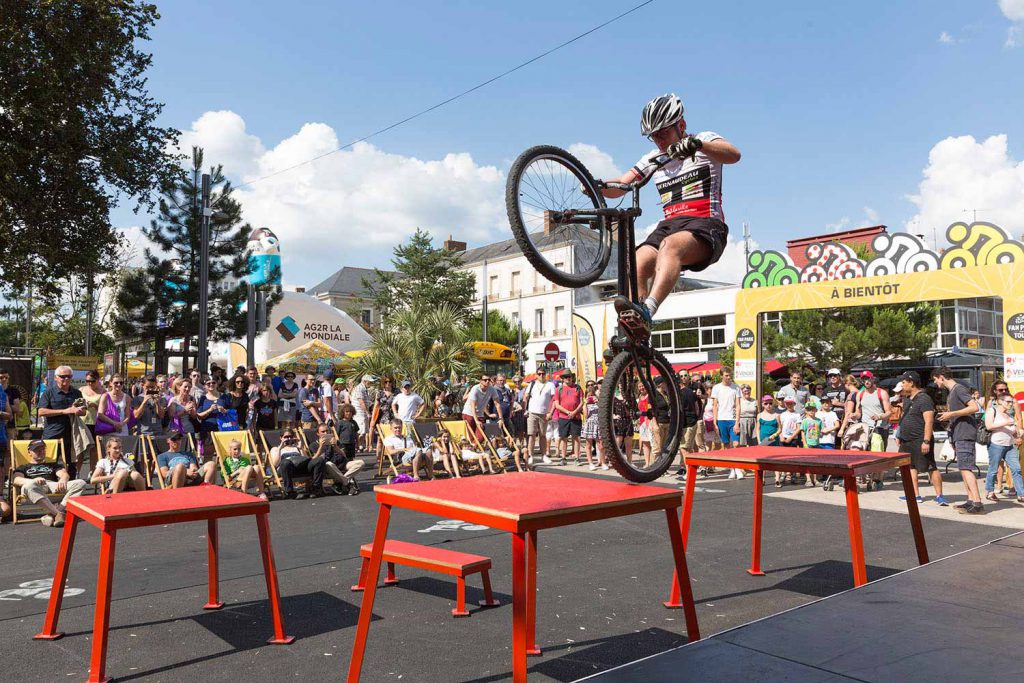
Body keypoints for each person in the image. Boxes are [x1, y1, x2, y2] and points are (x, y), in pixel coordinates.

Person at [598, 93, 740, 331]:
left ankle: (648, 311)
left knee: (670, 246)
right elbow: (622, 185)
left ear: (681, 125)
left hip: (705, 224)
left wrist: (699, 145)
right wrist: (597, 187)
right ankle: (634, 327)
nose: (659, 141)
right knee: (636, 260)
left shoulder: (703, 139)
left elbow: (734, 155)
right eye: (653, 136)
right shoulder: (653, 157)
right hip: (670, 225)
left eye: (663, 133)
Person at [932, 367, 983, 513]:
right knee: (963, 467)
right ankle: (971, 500)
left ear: (941, 377)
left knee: (966, 468)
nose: (936, 383)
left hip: (964, 434)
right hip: (958, 434)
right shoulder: (952, 392)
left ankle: (977, 503)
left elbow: (974, 407)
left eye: (935, 380)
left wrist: (952, 413)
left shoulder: (958, 389)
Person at [894, 371, 945, 504]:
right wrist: (899, 434)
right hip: (906, 440)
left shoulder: (924, 399)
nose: (902, 385)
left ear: (911, 383)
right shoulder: (907, 399)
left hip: (920, 439)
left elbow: (929, 421)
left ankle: (939, 496)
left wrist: (926, 441)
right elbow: (905, 417)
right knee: (909, 467)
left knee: (930, 467)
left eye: (904, 382)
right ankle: (914, 495)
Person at [11, 439, 86, 526]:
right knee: (29, 486)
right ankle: (58, 513)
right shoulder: (23, 467)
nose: (41, 451)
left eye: (43, 449)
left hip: (52, 486)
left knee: (80, 483)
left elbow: (64, 474)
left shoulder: (53, 465)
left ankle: (56, 513)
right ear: (29, 452)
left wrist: (63, 479)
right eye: (37, 450)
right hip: (34, 489)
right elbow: (16, 479)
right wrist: (33, 481)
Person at [37, 365, 85, 476]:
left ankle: (71, 488)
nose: (66, 379)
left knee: (71, 463)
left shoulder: (77, 393)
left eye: (68, 376)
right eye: (63, 376)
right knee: (49, 462)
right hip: (52, 433)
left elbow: (84, 412)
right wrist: (64, 411)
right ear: (55, 378)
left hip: (71, 434)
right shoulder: (48, 393)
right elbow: (41, 412)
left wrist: (78, 411)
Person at [851, 370, 891, 491]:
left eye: (868, 379)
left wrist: (879, 416)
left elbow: (889, 412)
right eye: (864, 379)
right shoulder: (860, 394)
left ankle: (878, 479)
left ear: (872, 379)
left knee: (878, 454)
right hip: (865, 427)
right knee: (863, 453)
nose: (866, 381)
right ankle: (865, 478)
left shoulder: (881, 393)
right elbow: (859, 413)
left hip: (880, 427)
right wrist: (854, 416)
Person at [983, 390, 1024, 505]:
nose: (1011, 404)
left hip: (1010, 445)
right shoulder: (992, 411)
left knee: (1016, 469)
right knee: (993, 470)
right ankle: (990, 492)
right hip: (996, 445)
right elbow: (989, 426)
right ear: (1000, 401)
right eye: (1008, 402)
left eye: (1012, 402)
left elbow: (1014, 431)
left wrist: (1019, 433)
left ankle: (1021, 494)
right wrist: (1006, 423)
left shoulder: (1009, 415)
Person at [312, 422, 365, 495]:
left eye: (327, 431)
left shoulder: (336, 442)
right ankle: (348, 483)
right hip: (328, 467)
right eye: (323, 431)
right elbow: (313, 460)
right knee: (328, 464)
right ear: (318, 433)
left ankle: (341, 482)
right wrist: (320, 447)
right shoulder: (314, 445)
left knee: (360, 463)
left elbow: (344, 456)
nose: (325, 433)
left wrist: (335, 446)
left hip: (341, 463)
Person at [711, 370, 742, 478]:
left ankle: (738, 468)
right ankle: (732, 468)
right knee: (726, 445)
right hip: (721, 419)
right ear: (721, 376)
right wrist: (714, 422)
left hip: (733, 419)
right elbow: (714, 406)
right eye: (726, 375)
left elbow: (738, 405)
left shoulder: (736, 387)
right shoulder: (716, 388)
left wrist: (737, 422)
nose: (729, 377)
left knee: (736, 444)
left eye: (730, 375)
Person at [549, 371, 583, 466]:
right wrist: (568, 412)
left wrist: (574, 412)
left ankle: (577, 457)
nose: (568, 378)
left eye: (570, 376)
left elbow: (581, 402)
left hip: (576, 417)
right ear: (563, 378)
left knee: (576, 438)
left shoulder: (578, 388)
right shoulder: (558, 389)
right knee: (564, 438)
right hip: (563, 417)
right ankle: (563, 458)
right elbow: (556, 404)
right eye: (566, 377)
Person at [523, 369, 557, 464]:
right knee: (531, 435)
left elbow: (554, 400)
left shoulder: (550, 385)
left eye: (543, 374)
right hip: (532, 413)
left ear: (545, 374)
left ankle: (544, 455)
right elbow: (525, 397)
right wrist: (525, 409)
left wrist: (550, 412)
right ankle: (531, 455)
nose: (541, 375)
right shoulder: (532, 384)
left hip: (544, 413)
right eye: (539, 374)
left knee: (543, 435)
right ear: (536, 375)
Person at [675, 373, 703, 480]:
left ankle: (689, 472)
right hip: (692, 422)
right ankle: (691, 471)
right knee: (689, 448)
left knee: (684, 449)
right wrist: (697, 416)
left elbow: (680, 410)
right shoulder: (690, 392)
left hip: (687, 424)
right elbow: (698, 404)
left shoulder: (680, 394)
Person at [462, 375, 503, 443]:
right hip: (469, 413)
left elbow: (497, 404)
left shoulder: (492, 389)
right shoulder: (475, 389)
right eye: (485, 380)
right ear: (480, 381)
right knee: (471, 437)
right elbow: (473, 406)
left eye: (489, 380)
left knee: (480, 437)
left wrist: (501, 418)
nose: (487, 381)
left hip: (480, 414)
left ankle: (474, 448)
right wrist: (476, 420)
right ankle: (472, 450)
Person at [757, 397, 784, 486]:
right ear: (762, 404)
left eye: (770, 403)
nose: (768, 405)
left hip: (774, 440)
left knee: (776, 460)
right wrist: (759, 440)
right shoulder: (760, 415)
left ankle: (777, 479)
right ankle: (762, 479)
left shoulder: (776, 415)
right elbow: (758, 429)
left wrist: (774, 435)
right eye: (766, 403)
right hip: (763, 441)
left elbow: (780, 429)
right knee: (763, 460)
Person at [580, 383, 603, 471]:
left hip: (598, 423)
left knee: (600, 444)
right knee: (588, 444)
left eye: (592, 395)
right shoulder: (585, 404)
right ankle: (590, 463)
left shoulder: (598, 401)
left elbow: (602, 412)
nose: (590, 397)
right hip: (589, 423)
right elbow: (585, 416)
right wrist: (585, 404)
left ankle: (601, 461)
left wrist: (598, 401)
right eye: (589, 395)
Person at [351, 375, 374, 451]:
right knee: (360, 431)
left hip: (362, 412)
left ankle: (359, 446)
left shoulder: (364, 389)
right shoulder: (359, 388)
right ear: (364, 381)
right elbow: (361, 402)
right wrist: (367, 413)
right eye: (369, 382)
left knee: (363, 431)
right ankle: (356, 446)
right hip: (359, 412)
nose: (370, 383)